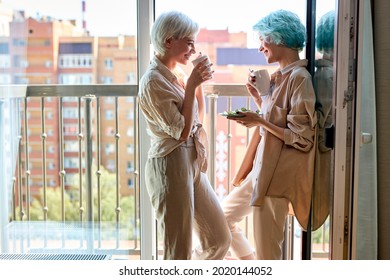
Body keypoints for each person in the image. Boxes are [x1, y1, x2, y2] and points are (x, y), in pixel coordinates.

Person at [222, 10, 317, 260]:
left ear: (280, 38)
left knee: (269, 254)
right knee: (222, 219)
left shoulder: (300, 79)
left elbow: (303, 138)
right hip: (261, 171)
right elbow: (276, 119)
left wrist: (260, 120)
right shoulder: (280, 77)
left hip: (276, 178)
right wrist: (259, 100)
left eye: (263, 39)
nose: (260, 47)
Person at [138, 10, 231, 260]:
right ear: (169, 41)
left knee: (220, 239)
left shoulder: (176, 74)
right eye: (189, 41)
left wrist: (196, 84)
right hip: (169, 164)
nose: (193, 48)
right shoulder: (152, 82)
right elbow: (180, 132)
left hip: (192, 161)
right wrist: (191, 85)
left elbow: (197, 115)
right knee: (178, 250)